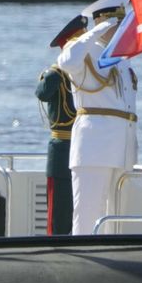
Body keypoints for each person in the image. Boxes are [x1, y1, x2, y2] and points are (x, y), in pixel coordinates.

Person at [57, 0, 138, 235]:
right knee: (87, 215)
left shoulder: (122, 60)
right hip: (95, 145)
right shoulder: (83, 51)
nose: (119, 29)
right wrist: (97, 30)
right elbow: (66, 61)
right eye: (116, 23)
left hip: (122, 146)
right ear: (103, 21)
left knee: (116, 216)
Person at [35, 14, 89, 235]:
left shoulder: (90, 74)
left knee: (82, 208)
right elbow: (42, 93)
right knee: (59, 215)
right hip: (63, 148)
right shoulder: (57, 74)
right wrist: (61, 68)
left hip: (85, 147)